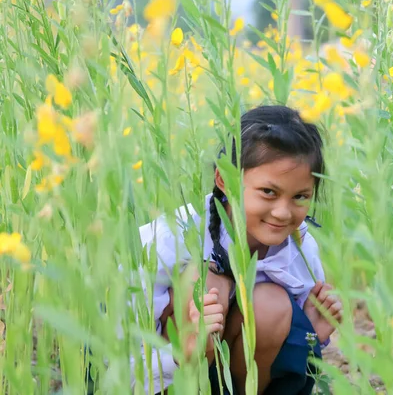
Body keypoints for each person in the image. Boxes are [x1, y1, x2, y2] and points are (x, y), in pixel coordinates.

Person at [135, 105, 343, 395]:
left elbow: (295, 355)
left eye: (300, 196)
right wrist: (185, 349)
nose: (283, 213)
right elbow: (119, 351)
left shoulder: (300, 246)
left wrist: (310, 335)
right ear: (225, 180)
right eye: (268, 192)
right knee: (207, 283)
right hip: (166, 375)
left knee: (270, 303)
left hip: (243, 380)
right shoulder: (172, 236)